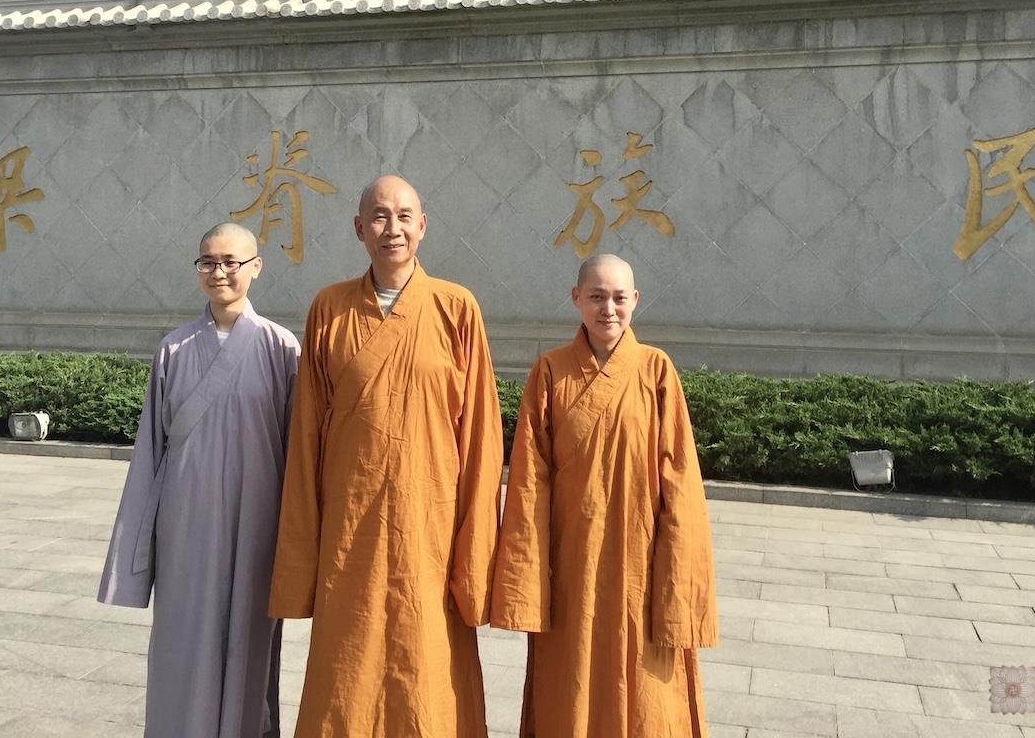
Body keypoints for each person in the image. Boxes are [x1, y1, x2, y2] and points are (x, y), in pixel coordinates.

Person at [269, 174, 503, 738]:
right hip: (351, 525)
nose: (391, 228)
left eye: (403, 216)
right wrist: (303, 551)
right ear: (359, 229)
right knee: (348, 662)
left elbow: (481, 438)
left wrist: (475, 548)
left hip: (431, 521)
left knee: (428, 664)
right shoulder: (329, 308)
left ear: (422, 226)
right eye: (378, 216)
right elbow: (306, 437)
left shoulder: (456, 308)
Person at [491, 253, 718, 738]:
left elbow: (681, 481)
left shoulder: (656, 370)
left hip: (642, 567)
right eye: (596, 297)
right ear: (576, 299)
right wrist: (528, 578)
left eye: (618, 298)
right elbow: (529, 482)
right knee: (569, 684)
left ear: (635, 300)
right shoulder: (550, 371)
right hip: (571, 566)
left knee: (648, 697)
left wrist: (679, 577)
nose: (608, 309)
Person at [98, 222, 300, 738]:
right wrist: (134, 556)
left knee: (250, 641)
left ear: (256, 267)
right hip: (186, 521)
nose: (219, 272)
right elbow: (150, 453)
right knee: (182, 638)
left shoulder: (282, 348)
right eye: (208, 262)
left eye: (232, 262)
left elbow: (298, 452)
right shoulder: (174, 348)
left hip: (257, 522)